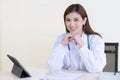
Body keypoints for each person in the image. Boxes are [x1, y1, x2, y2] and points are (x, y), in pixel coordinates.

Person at [47, 3, 106, 73]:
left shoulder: (95, 39)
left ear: (84, 21)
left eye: (76, 20)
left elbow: (96, 68)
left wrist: (81, 45)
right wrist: (63, 44)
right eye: (68, 20)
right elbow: (52, 67)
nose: (71, 24)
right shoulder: (61, 39)